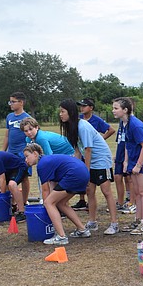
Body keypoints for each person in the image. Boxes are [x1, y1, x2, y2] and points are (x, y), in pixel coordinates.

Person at [58, 99, 119, 235]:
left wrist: (85, 172)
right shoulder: (71, 127)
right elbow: (78, 151)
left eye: (63, 111)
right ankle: (92, 222)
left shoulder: (83, 126)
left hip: (101, 160)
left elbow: (88, 150)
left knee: (106, 191)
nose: (60, 114)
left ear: (70, 112)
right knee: (90, 191)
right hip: (90, 160)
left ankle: (114, 223)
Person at [23, 143, 91, 245]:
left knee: (49, 203)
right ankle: (82, 230)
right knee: (61, 203)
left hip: (74, 174)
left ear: (35, 154)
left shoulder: (42, 165)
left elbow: (46, 190)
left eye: (27, 156)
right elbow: (53, 185)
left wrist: (46, 206)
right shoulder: (47, 161)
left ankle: (61, 237)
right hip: (82, 173)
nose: (26, 160)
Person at [113, 97, 143, 235]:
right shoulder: (123, 123)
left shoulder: (135, 125)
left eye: (116, 108)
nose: (113, 111)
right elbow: (127, 144)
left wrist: (138, 165)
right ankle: (138, 220)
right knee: (136, 192)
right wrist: (126, 161)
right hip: (133, 159)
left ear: (125, 110)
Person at [2, 93, 32, 203]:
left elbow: (32, 136)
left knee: (24, 177)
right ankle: (13, 201)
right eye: (10, 101)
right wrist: (3, 152)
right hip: (11, 152)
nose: (11, 104)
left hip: (22, 152)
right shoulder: (9, 117)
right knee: (10, 177)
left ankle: (24, 201)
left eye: (13, 101)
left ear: (21, 102)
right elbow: (7, 135)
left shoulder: (27, 118)